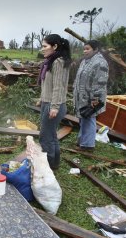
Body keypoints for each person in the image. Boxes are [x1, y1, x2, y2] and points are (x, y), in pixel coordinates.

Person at [38, 34, 72, 170]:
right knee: (51, 135)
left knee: (45, 137)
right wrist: (42, 99)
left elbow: (59, 86)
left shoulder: (58, 62)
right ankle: (54, 163)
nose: (42, 49)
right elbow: (48, 84)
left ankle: (49, 166)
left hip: (53, 105)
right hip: (48, 103)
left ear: (55, 46)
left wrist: (55, 107)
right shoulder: (51, 61)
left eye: (45, 46)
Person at [73, 40, 109, 151]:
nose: (85, 51)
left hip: (91, 98)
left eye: (87, 49)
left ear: (96, 49)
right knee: (83, 119)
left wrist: (95, 99)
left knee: (89, 119)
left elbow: (100, 83)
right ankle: (82, 142)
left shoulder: (100, 63)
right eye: (84, 49)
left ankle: (88, 145)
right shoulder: (85, 61)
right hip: (82, 97)